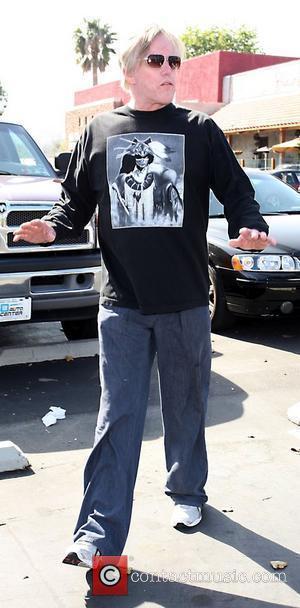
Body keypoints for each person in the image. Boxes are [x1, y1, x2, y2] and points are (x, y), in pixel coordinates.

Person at [13, 25, 276, 569]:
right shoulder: (101, 130)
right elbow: (73, 209)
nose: (170, 70)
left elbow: (237, 193)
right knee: (118, 417)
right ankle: (97, 537)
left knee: (186, 408)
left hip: (184, 302)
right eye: (158, 60)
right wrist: (48, 230)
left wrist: (249, 226)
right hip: (122, 307)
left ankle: (186, 493)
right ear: (130, 69)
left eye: (177, 62)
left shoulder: (200, 130)